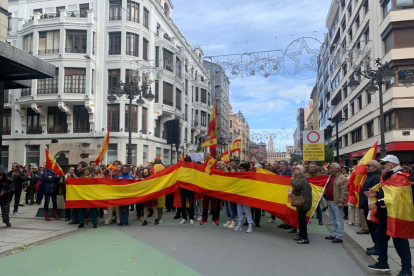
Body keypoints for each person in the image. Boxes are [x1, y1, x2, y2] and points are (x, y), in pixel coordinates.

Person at [365, 155, 413, 276]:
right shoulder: (390, 176)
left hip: (396, 214)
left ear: (392, 164)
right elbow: (388, 193)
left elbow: (394, 198)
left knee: (399, 241)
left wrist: (376, 203)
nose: (382, 166)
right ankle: (383, 262)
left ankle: (406, 270)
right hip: (388, 214)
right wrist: (375, 193)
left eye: (384, 163)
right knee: (380, 236)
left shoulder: (400, 177)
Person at [358, 160, 381, 256]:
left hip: (372, 207)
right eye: (367, 165)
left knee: (374, 228)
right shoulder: (370, 176)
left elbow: (377, 192)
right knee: (371, 229)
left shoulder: (376, 177)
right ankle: (376, 245)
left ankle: (378, 247)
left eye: (369, 166)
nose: (366, 167)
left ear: (375, 167)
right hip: (367, 206)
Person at [325, 163, 349, 243]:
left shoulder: (342, 178)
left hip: (337, 201)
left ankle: (339, 236)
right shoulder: (330, 176)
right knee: (332, 219)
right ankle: (334, 234)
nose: (330, 169)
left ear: (338, 169)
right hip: (330, 200)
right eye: (330, 168)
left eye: (332, 168)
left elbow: (344, 191)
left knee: (338, 220)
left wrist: (341, 201)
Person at [291, 170, 312, 244]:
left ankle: (305, 238)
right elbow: (297, 189)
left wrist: (292, 180)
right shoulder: (303, 181)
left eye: (294, 177)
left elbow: (297, 187)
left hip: (303, 204)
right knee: (300, 220)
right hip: (304, 204)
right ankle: (301, 235)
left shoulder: (302, 181)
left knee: (302, 221)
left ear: (297, 177)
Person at [234, 163, 253, 233]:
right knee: (239, 211)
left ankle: (250, 226)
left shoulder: (250, 175)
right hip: (239, 195)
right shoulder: (239, 175)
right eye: (240, 168)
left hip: (246, 196)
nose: (240, 169)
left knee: (248, 211)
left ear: (246, 168)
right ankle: (239, 224)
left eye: (242, 168)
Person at [179, 157, 195, 225]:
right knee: (183, 204)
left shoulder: (193, 168)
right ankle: (184, 218)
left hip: (190, 189)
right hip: (183, 189)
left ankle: (190, 218)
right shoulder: (181, 168)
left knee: (191, 204)